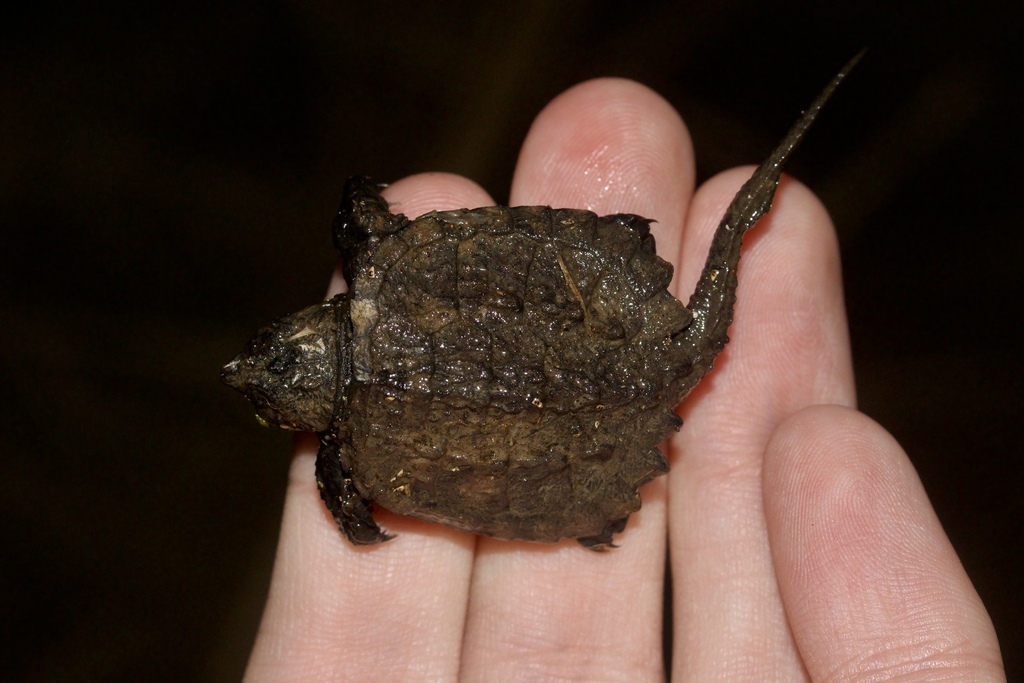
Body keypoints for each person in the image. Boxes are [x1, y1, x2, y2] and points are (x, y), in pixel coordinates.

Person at [242, 78, 1005, 681]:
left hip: (598, 378)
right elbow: (361, 209)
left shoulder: (354, 456)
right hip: (591, 406)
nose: (270, 360)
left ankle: (599, 503)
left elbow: (357, 519)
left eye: (273, 353)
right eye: (276, 367)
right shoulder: (378, 300)